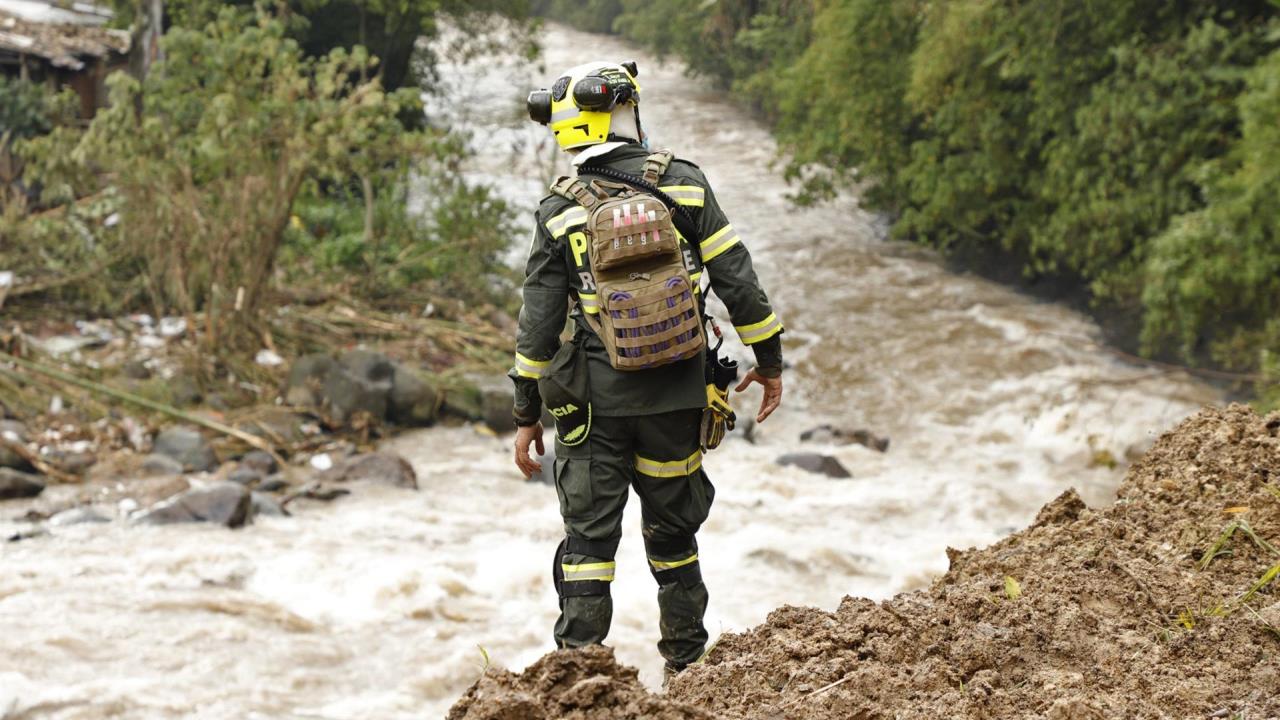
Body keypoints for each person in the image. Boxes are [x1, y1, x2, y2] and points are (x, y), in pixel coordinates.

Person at [510, 60, 784, 681]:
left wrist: (526, 415)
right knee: (674, 540)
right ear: (622, 112)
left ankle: (579, 684)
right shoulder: (684, 184)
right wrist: (769, 362)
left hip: (589, 413)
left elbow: (537, 326)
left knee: (587, 550)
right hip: (677, 400)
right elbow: (738, 281)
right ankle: (688, 674)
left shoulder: (558, 209)